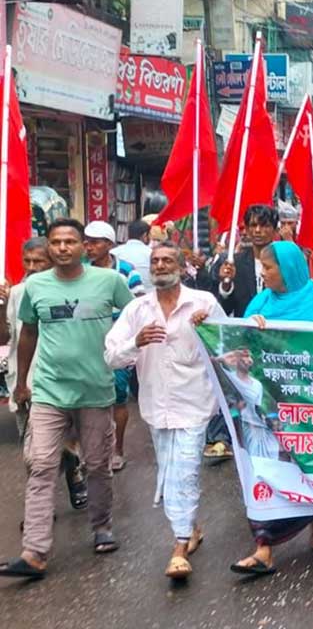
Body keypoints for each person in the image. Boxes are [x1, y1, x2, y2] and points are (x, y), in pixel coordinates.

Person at [0, 219, 134, 579]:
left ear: (82, 245)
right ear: (49, 247)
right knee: (41, 465)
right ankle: (35, 552)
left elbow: (134, 317)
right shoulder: (36, 287)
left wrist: (128, 353)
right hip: (48, 391)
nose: (62, 248)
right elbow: (27, 332)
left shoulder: (110, 282)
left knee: (96, 465)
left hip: (95, 390)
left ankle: (102, 526)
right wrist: (22, 382)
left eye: (70, 241)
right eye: (56, 242)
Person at [103, 242, 224, 579]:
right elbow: (111, 357)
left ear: (182, 267)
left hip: (195, 403)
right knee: (170, 471)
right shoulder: (137, 310)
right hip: (156, 406)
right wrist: (135, 343)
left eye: (167, 260)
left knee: (185, 471)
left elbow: (229, 347)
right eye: (154, 260)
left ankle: (179, 546)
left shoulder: (204, 303)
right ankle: (192, 527)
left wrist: (209, 328)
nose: (158, 265)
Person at [229, 241, 313, 576]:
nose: (262, 274)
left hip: (312, 404)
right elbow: (240, 348)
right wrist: (253, 331)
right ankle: (263, 547)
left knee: (306, 465)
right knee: (264, 469)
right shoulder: (259, 304)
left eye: (268, 267)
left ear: (289, 269)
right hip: (267, 409)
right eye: (261, 267)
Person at [0, 238, 87, 510]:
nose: (32, 267)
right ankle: (43, 502)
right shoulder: (16, 293)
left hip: (60, 383)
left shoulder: (67, 291)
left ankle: (46, 499)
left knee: (44, 451)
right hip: (23, 383)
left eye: (39, 261)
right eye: (27, 261)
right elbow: (5, 337)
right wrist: (1, 305)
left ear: (51, 262)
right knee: (32, 455)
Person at [205, 204, 279, 460]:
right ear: (245, 230)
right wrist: (226, 284)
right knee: (241, 394)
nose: (258, 231)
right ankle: (229, 440)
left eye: (264, 225)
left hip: (276, 342)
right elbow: (222, 306)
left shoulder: (284, 259)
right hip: (246, 341)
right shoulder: (232, 262)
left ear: (274, 229)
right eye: (252, 226)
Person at [84, 221, 146, 472]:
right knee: (89, 400)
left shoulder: (127, 271)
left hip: (119, 343)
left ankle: (117, 449)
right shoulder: (79, 271)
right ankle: (92, 450)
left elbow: (139, 306)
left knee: (118, 398)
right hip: (87, 343)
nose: (89, 247)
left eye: (95, 242)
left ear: (109, 245)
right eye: (86, 241)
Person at [111, 219, 153, 291]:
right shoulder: (152, 254)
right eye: (150, 235)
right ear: (145, 235)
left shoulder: (114, 253)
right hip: (148, 297)